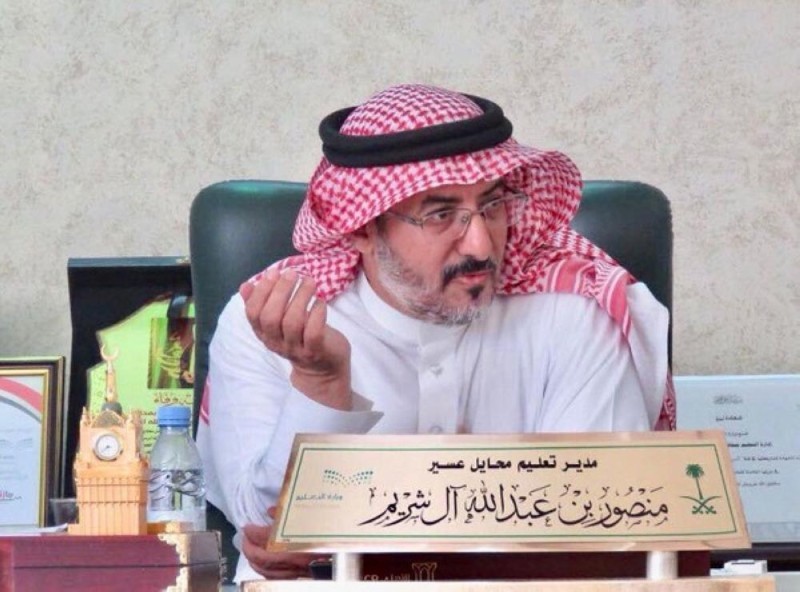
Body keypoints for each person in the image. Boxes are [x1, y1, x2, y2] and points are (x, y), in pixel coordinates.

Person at [195, 84, 674, 582]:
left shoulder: (576, 313)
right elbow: (268, 538)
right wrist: (320, 386)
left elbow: (597, 532)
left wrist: (357, 538)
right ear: (361, 228)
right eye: (442, 214)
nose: (481, 244)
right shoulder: (272, 322)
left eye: (492, 206)